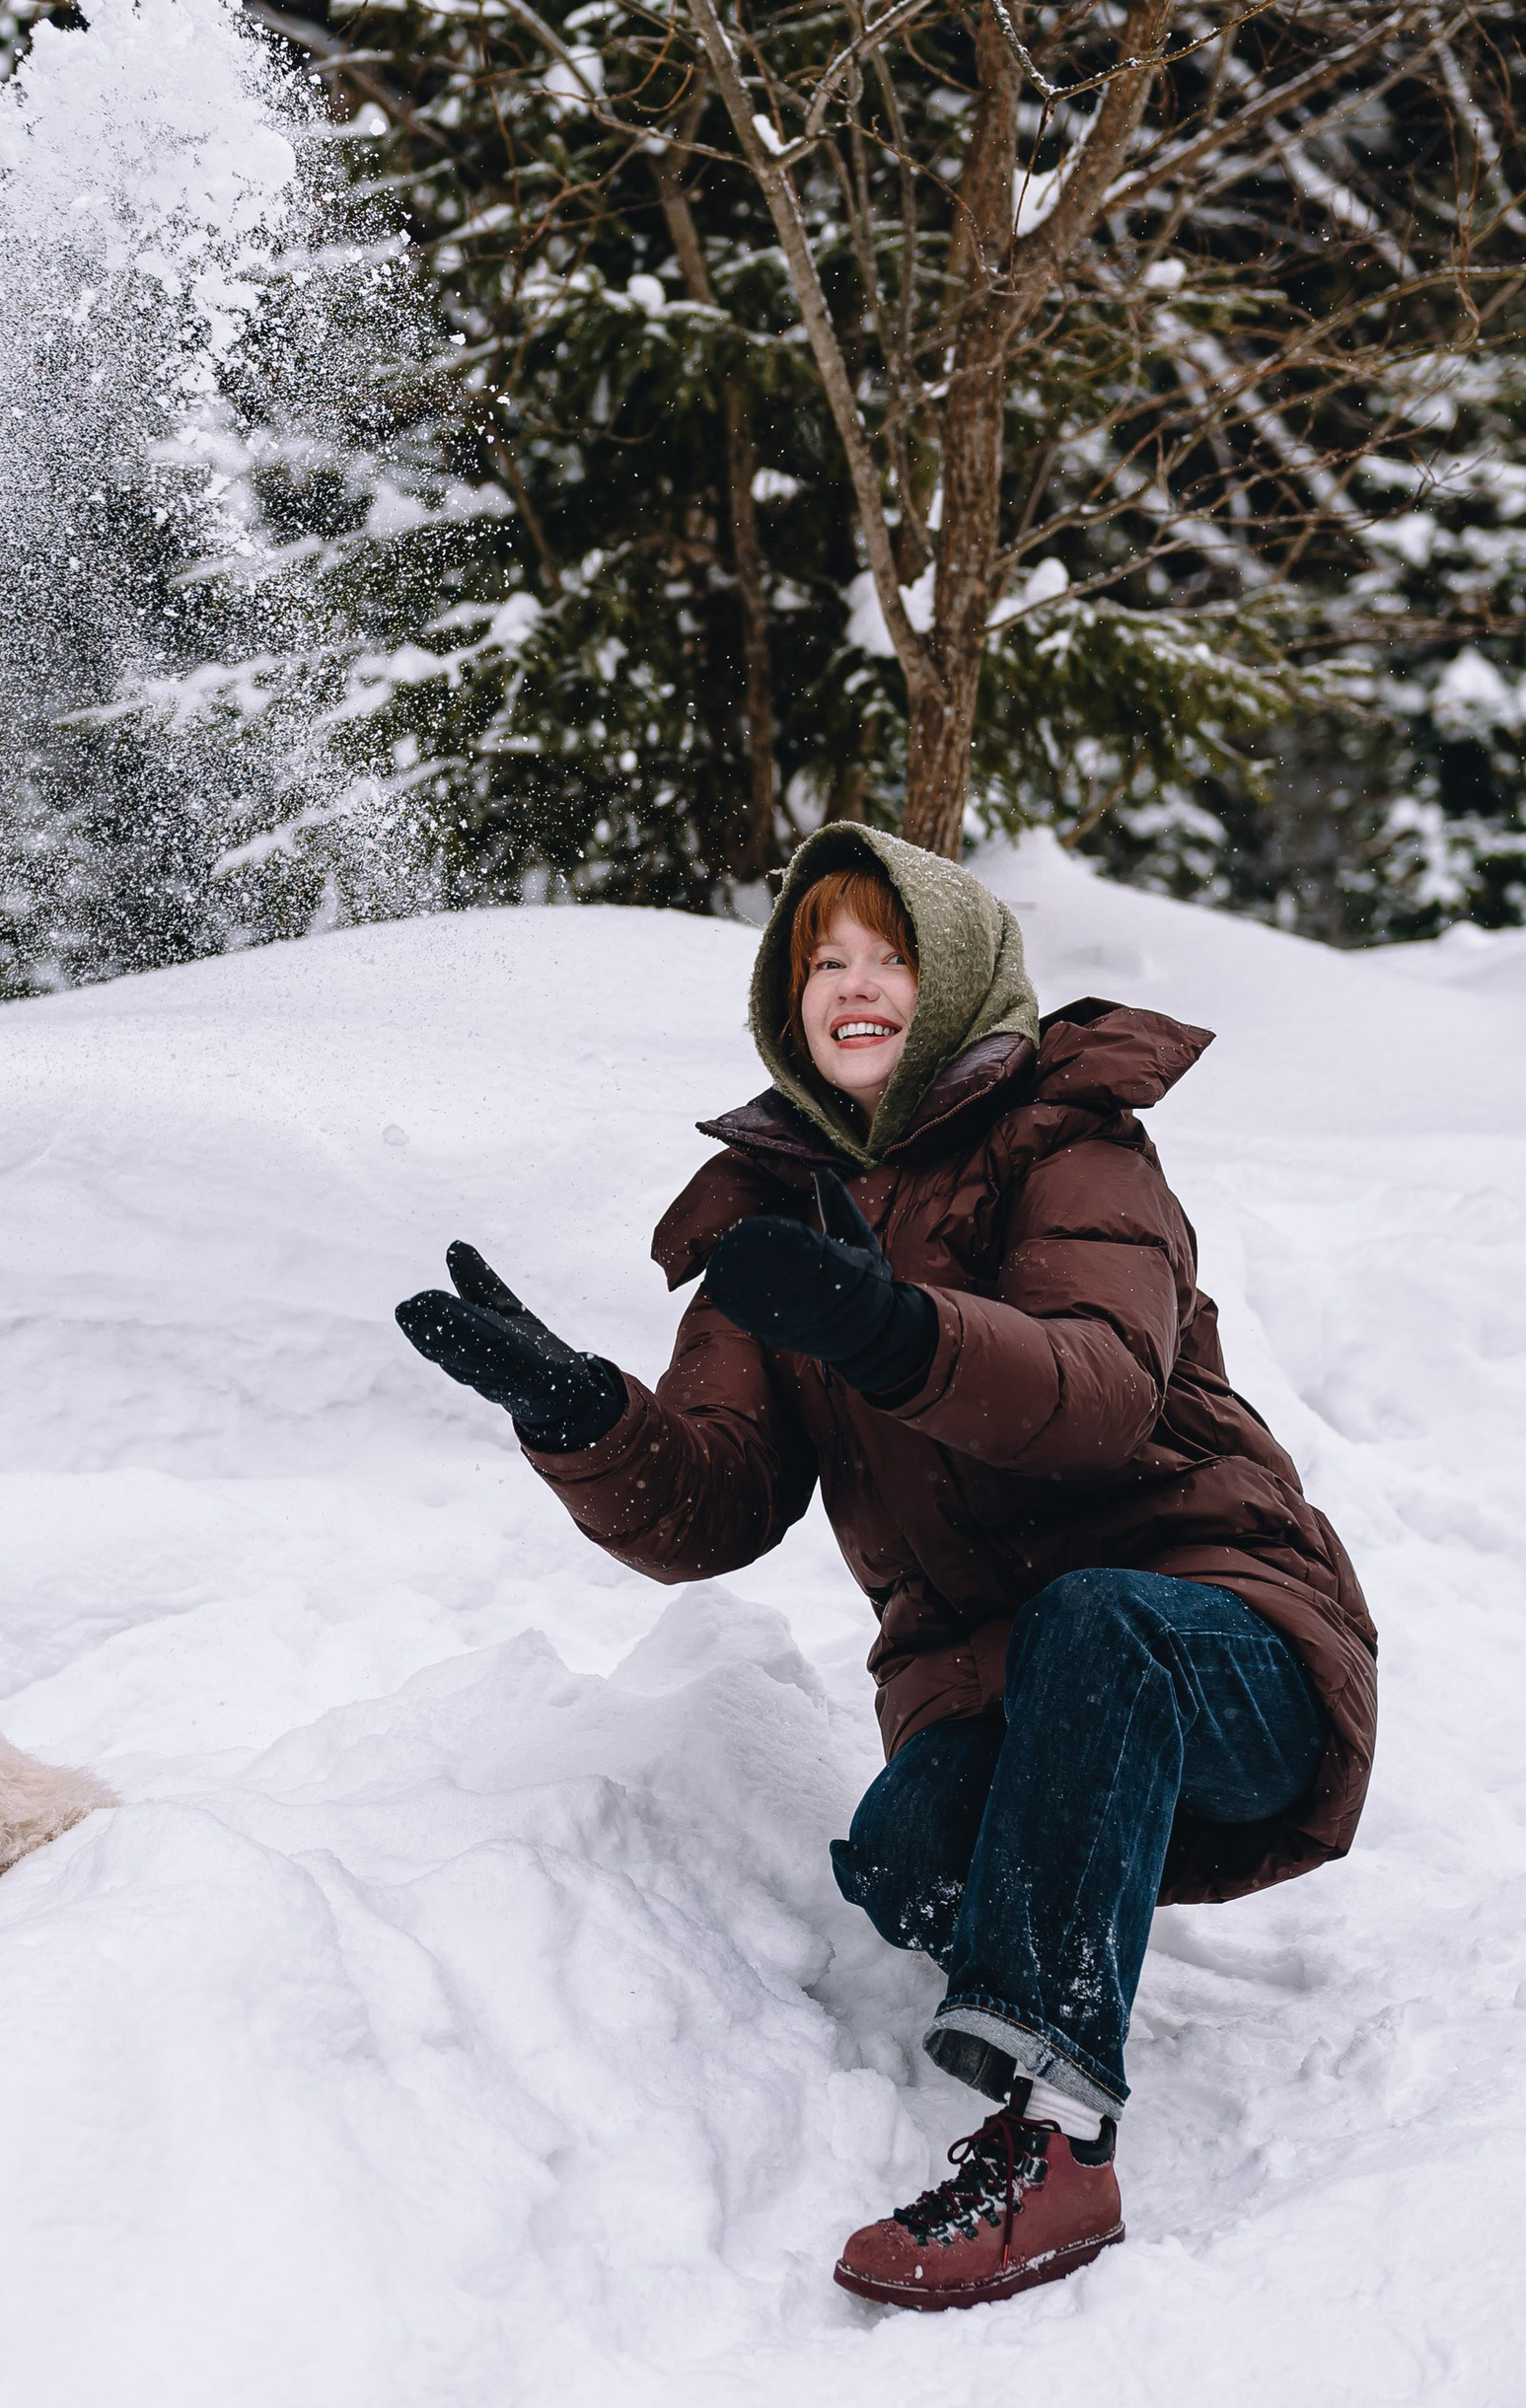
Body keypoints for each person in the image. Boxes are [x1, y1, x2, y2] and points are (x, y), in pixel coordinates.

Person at [396, 823, 1377, 2311]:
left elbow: (1100, 1387)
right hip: (993, 1682)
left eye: (888, 957)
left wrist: (893, 1331)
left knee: (1101, 1629)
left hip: (1223, 1635)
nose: (850, 987)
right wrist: (582, 1416)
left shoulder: (1074, 1139)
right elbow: (717, 1501)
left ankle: (1057, 2142)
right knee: (910, 1856)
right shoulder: (770, 1214)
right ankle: (1059, 1903)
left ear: (962, 974)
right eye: (819, 963)